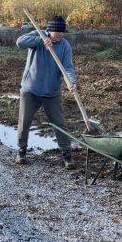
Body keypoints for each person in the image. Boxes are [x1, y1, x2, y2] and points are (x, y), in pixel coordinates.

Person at [15, 16, 78, 169]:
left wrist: (71, 81)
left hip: (51, 91)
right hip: (31, 89)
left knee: (60, 123)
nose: (60, 34)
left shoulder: (65, 46)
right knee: (24, 121)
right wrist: (40, 40)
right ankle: (21, 151)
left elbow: (68, 67)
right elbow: (19, 42)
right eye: (57, 30)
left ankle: (66, 154)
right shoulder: (38, 35)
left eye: (62, 31)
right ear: (49, 30)